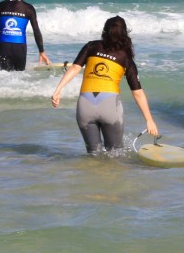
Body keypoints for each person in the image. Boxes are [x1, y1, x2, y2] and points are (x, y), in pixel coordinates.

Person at [51, 16, 159, 154]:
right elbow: (137, 92)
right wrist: (149, 120)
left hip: (85, 106)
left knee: (93, 154)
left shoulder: (91, 46)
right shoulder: (125, 58)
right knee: (115, 154)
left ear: (104, 31)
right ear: (124, 34)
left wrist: (58, 90)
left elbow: (74, 68)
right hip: (109, 108)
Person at [0, 0, 51, 71]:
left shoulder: (0, 6)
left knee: (4, 77)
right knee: (19, 77)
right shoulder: (28, 8)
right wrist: (41, 51)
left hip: (3, 46)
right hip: (19, 47)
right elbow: (36, 31)